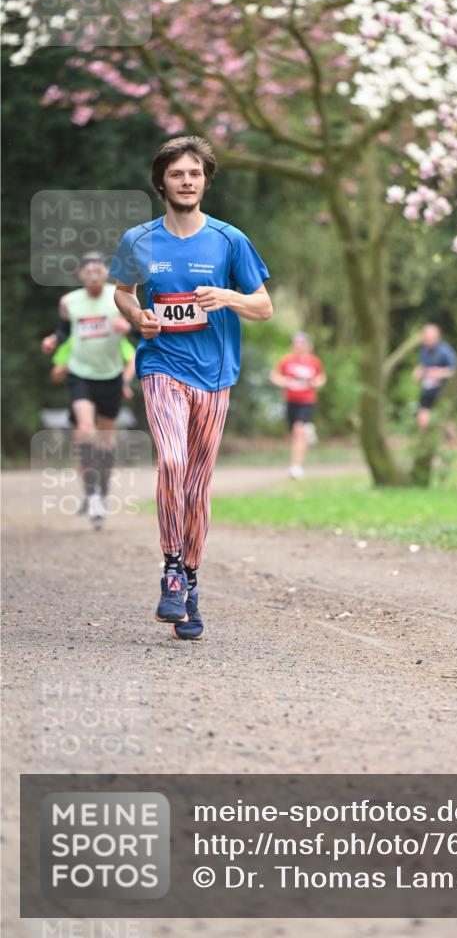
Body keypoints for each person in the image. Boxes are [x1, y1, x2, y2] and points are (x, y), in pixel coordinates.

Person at [111, 135, 273, 641]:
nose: (187, 182)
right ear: (162, 181)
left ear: (205, 181)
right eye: (177, 174)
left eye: (195, 174)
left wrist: (226, 295)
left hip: (216, 376)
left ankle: (193, 583)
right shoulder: (139, 239)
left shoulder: (230, 241)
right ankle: (172, 569)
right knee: (173, 461)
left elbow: (264, 306)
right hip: (162, 366)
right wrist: (138, 316)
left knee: (198, 485)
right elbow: (123, 291)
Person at [41, 253, 134, 528]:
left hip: (112, 376)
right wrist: (52, 341)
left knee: (106, 443)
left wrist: (127, 327)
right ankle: (91, 494)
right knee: (84, 431)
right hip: (81, 375)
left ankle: (101, 493)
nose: (94, 274)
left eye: (99, 268)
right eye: (88, 270)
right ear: (80, 275)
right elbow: (64, 331)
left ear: (107, 272)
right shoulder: (69, 302)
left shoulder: (119, 297)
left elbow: (140, 333)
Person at [270, 332, 326, 479]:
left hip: (307, 401)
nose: (299, 347)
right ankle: (309, 431)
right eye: (296, 344)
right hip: (291, 401)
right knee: (294, 434)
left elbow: (321, 377)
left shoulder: (314, 361)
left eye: (302, 344)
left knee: (298, 431)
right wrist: (284, 381)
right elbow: (275, 376)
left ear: (308, 346)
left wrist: (316, 382)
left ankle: (296, 466)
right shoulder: (287, 360)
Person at [412, 323, 457, 431]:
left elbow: (454, 370)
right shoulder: (424, 350)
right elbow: (424, 366)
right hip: (428, 391)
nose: (425, 340)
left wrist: (438, 373)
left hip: (443, 391)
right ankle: (424, 444)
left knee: (447, 421)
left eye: (428, 338)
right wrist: (418, 371)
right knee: (422, 416)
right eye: (424, 337)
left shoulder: (445, 351)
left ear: (436, 337)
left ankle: (456, 445)